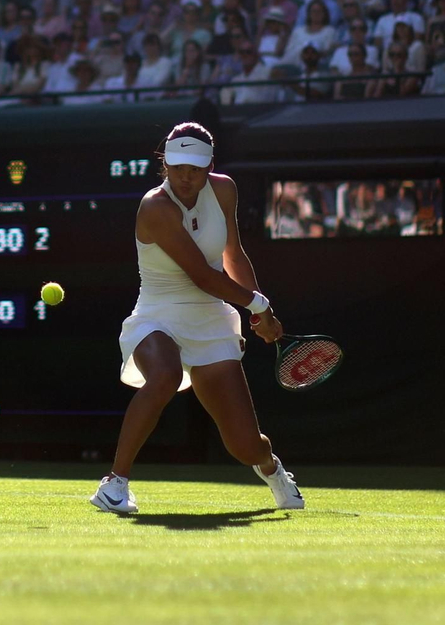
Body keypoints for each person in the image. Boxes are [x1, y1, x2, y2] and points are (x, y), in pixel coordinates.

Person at [91, 123, 305, 515]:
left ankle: (273, 469)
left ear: (209, 167)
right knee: (165, 375)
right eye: (178, 167)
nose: (186, 177)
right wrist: (258, 306)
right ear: (165, 165)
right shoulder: (155, 207)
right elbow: (202, 276)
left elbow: (232, 255)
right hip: (157, 315)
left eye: (195, 168)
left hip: (211, 320)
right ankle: (114, 484)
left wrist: (263, 311)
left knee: (246, 445)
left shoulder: (224, 190)